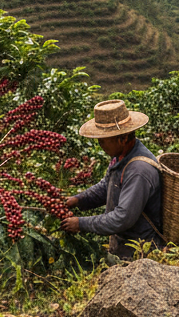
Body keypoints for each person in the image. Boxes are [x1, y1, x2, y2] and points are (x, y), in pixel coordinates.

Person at [60, 98, 164, 259]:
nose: (100, 145)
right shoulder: (121, 156)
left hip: (141, 254)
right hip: (124, 247)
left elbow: (122, 219)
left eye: (103, 141)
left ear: (123, 138)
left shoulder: (139, 171)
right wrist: (78, 200)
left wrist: (81, 223)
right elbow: (106, 187)